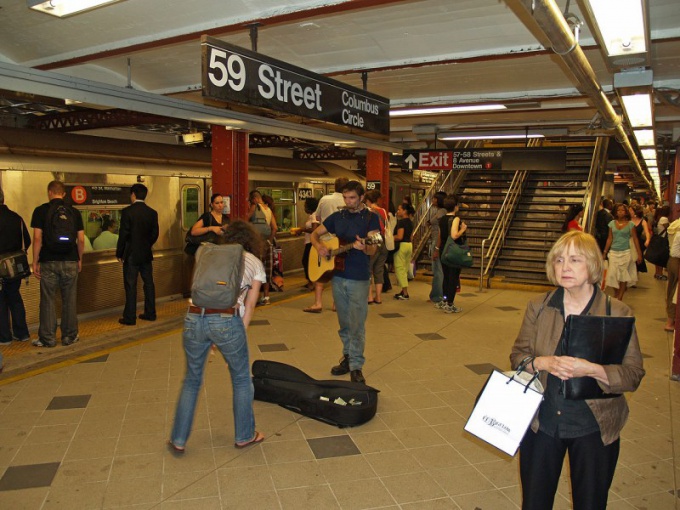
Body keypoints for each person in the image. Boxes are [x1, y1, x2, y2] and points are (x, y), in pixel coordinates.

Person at [511, 231, 644, 510]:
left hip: (594, 426)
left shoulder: (616, 311)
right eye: (559, 260)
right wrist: (542, 362)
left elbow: (633, 374)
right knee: (535, 502)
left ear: (593, 265)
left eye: (575, 260)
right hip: (542, 422)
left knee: (590, 502)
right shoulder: (540, 306)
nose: (565, 267)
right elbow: (518, 357)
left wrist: (593, 369)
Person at [169, 221, 267, 454]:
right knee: (241, 379)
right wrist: (236, 337)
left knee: (192, 379)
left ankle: (178, 438)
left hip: (193, 318)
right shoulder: (254, 262)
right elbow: (250, 305)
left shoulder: (208, 255)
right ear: (250, 240)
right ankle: (245, 435)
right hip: (226, 320)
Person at [310, 180, 380, 383]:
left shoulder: (370, 218)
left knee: (357, 324)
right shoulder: (337, 217)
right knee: (344, 323)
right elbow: (315, 234)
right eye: (345, 197)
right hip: (338, 276)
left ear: (361, 198)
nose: (348, 202)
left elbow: (374, 248)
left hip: (358, 277)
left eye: (352, 198)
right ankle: (348, 357)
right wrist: (319, 246)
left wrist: (365, 247)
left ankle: (356, 365)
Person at [30, 180, 85, 347]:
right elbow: (81, 239)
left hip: (48, 261)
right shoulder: (74, 212)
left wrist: (34, 261)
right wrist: (79, 259)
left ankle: (48, 338)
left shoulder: (40, 211)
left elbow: (37, 238)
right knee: (69, 299)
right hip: (70, 261)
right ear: (64, 194)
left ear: (49, 193)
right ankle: (69, 336)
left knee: (48, 300)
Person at [116, 184, 159, 325]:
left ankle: (130, 317)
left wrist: (120, 252)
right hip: (146, 254)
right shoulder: (152, 213)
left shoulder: (127, 212)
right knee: (149, 284)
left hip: (131, 255)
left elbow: (123, 234)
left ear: (133, 194)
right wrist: (146, 245)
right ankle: (150, 313)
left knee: (130, 285)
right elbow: (155, 234)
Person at [303, 177, 348, 313]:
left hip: (324, 240)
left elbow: (317, 219)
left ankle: (318, 303)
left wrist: (316, 239)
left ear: (334, 186)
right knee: (338, 272)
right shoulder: (350, 201)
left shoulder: (325, 199)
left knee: (320, 272)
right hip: (342, 242)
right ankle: (336, 304)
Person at [0, 187, 31, 345]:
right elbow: (28, 240)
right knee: (15, 298)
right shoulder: (16, 218)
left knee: (0, 302)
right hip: (15, 268)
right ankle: (22, 333)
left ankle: (4, 337)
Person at [603, 203, 642, 301]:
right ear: (615, 212)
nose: (620, 212)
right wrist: (604, 252)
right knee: (612, 274)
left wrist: (639, 254)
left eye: (622, 210)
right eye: (618, 210)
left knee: (623, 275)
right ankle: (616, 293)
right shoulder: (612, 223)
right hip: (613, 252)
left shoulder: (630, 224)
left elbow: (635, 239)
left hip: (626, 252)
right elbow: (609, 238)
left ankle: (620, 296)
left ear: (626, 212)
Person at [437, 195, 466, 313]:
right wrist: (463, 229)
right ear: (455, 206)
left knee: (446, 276)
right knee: (453, 277)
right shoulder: (456, 219)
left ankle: (444, 300)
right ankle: (450, 303)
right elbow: (454, 235)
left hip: (443, 250)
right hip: (453, 251)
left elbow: (440, 235)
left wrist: (436, 248)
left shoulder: (442, 219)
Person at [247, 190, 277, 306]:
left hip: (256, 244)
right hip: (267, 244)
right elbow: (274, 228)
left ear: (254, 199)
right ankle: (266, 296)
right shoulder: (268, 209)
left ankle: (255, 296)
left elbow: (245, 219)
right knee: (266, 269)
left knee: (255, 269)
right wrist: (269, 240)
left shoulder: (254, 207)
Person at [364, 190, 388, 305]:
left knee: (368, 269)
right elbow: (385, 227)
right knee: (379, 269)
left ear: (368, 200)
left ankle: (369, 297)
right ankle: (378, 297)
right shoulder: (382, 211)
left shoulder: (367, 211)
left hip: (372, 242)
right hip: (383, 241)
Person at [428, 191, 447, 305]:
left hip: (437, 242)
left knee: (437, 270)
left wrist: (436, 248)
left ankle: (437, 296)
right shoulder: (441, 211)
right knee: (438, 270)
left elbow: (440, 230)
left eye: (435, 199)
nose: (433, 200)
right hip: (436, 241)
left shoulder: (442, 212)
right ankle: (436, 294)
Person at [393, 203, 415, 300]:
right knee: (405, 268)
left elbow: (399, 237)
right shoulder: (410, 222)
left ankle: (405, 293)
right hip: (409, 245)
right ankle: (403, 290)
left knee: (399, 269)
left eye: (399, 209)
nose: (398, 211)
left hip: (401, 246)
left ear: (404, 211)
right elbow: (411, 236)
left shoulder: (401, 222)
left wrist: (390, 238)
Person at [296, 197, 319, 291]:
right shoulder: (312, 215)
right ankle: (311, 282)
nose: (304, 208)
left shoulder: (314, 215)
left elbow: (314, 229)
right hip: (309, 242)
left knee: (306, 262)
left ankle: (312, 282)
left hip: (312, 243)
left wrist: (302, 229)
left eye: (305, 206)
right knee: (308, 262)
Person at [630, 204, 651, 274]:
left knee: (637, 261)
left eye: (631, 210)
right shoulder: (627, 220)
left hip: (638, 243)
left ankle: (634, 278)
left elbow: (647, 232)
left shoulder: (643, 221)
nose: (629, 212)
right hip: (628, 242)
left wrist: (647, 240)